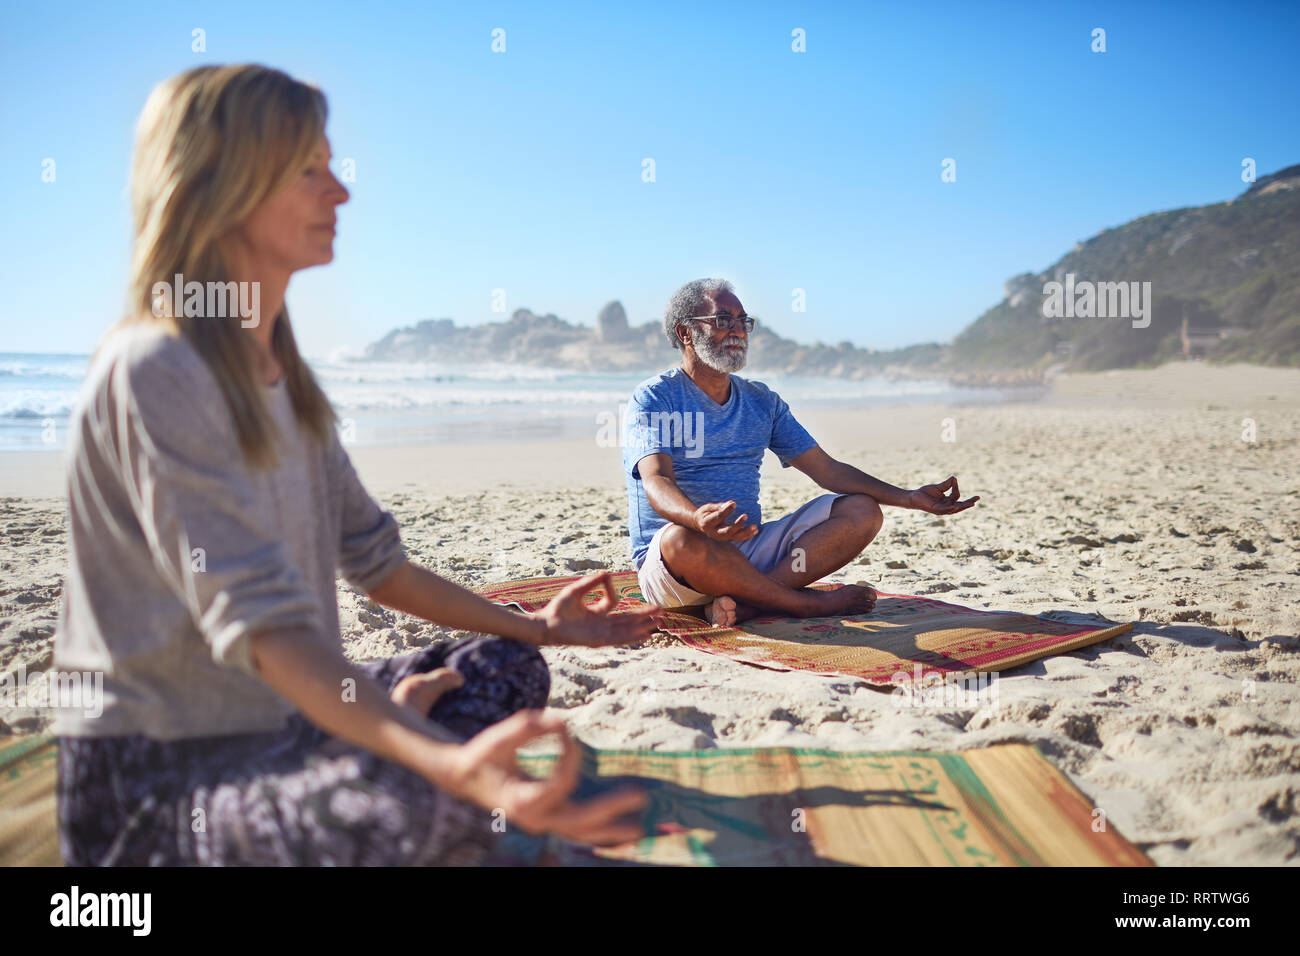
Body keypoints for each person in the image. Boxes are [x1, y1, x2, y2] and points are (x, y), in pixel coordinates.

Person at [53, 64, 654, 866]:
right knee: (440, 813)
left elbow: (376, 563)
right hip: (157, 786)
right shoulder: (157, 370)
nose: (340, 192)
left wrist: (537, 625)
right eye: (309, 170)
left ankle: (362, 750)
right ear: (222, 184)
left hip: (283, 726)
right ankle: (375, 762)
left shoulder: (284, 379)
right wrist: (437, 760)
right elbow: (265, 624)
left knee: (504, 667)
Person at [623, 278, 980, 626]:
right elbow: (656, 480)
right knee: (683, 540)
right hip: (677, 567)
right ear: (686, 333)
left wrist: (909, 497)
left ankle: (749, 606)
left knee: (861, 510)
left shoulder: (762, 401)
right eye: (722, 320)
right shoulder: (656, 397)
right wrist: (698, 518)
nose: (737, 330)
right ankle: (802, 604)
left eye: (743, 321)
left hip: (749, 553)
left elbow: (828, 470)